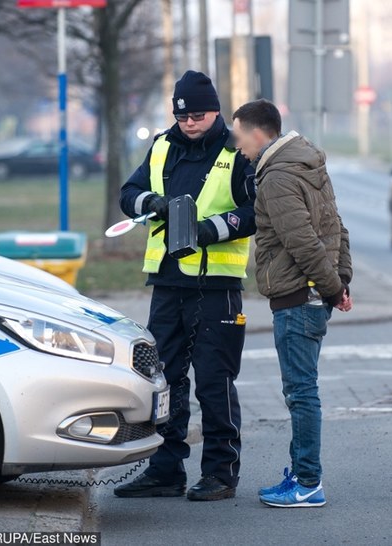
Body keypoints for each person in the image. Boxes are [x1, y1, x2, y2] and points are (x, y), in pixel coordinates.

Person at [114, 70, 255, 501]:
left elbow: (255, 211)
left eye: (197, 115)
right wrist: (150, 203)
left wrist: (211, 229)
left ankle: (220, 472)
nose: (189, 123)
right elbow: (129, 192)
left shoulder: (238, 150)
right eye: (182, 116)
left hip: (216, 285)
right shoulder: (162, 145)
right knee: (165, 378)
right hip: (168, 282)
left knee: (214, 380)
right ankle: (164, 469)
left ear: (215, 111)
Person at [231, 99, 353, 508]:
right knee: (303, 390)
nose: (237, 146)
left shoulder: (277, 178)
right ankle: (302, 475)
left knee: (301, 393)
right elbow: (336, 226)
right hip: (314, 295)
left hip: (298, 297)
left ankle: (307, 482)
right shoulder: (307, 164)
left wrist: (335, 288)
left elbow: (302, 241)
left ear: (258, 133)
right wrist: (341, 282)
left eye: (239, 137)